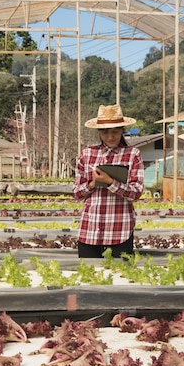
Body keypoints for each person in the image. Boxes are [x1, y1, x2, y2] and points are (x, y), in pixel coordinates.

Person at [73, 104, 144, 258]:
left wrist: (111, 182)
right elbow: (77, 193)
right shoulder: (87, 154)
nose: (110, 137)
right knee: (88, 275)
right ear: (99, 132)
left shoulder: (132, 154)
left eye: (115, 132)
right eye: (105, 132)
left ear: (122, 131)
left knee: (121, 276)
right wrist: (92, 184)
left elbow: (136, 192)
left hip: (120, 227)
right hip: (91, 227)